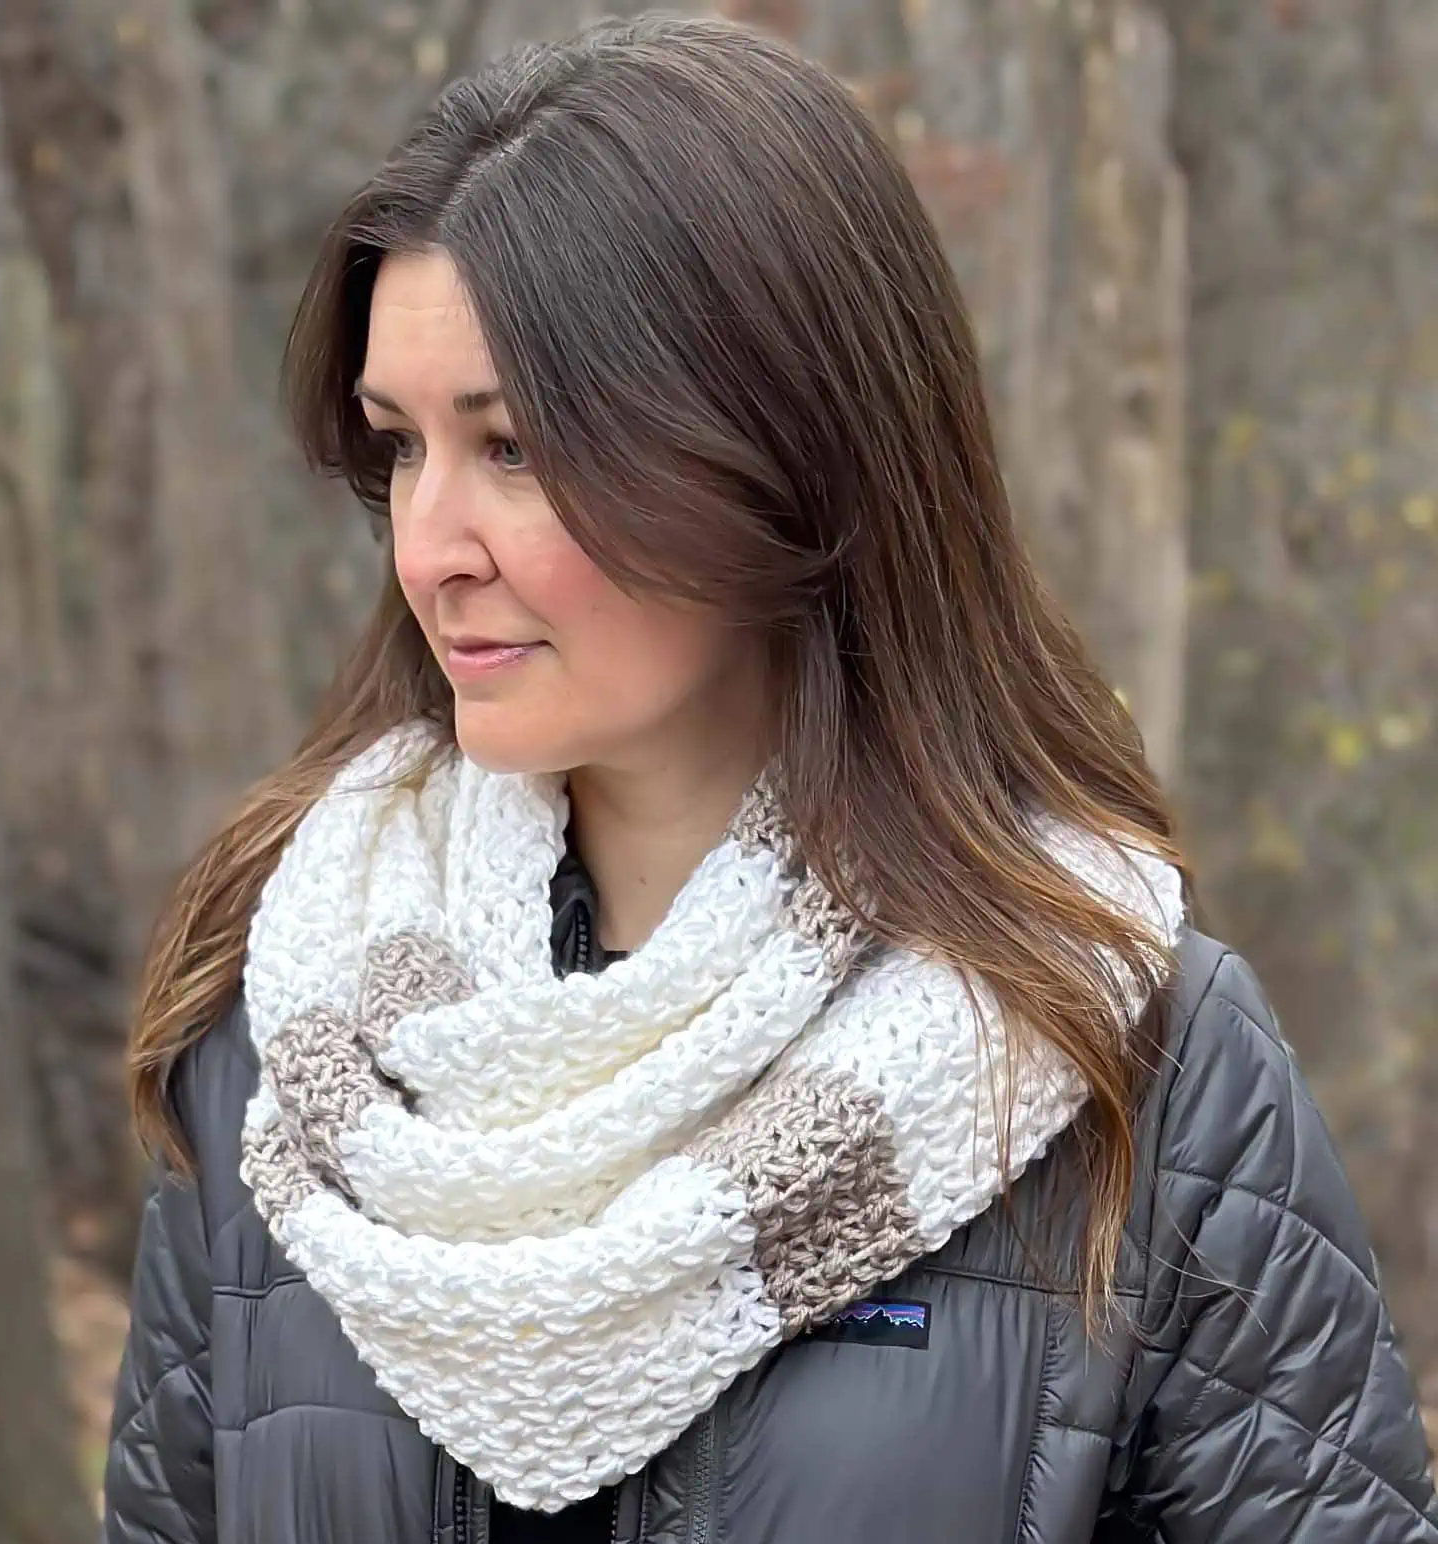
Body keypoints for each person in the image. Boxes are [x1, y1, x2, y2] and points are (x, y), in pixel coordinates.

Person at [102, 15, 1438, 1544]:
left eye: (518, 447)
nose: (429, 548)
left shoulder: (1125, 1066)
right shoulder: (289, 1031)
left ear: (784, 450)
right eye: (401, 449)